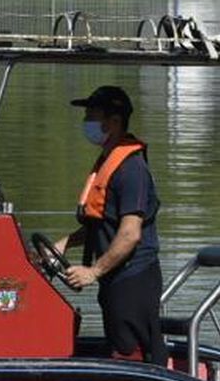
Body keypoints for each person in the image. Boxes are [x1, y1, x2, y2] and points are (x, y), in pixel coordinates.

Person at [50, 86, 166, 365]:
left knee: (130, 353)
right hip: (115, 278)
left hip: (133, 278)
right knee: (117, 344)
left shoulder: (132, 169)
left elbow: (129, 233)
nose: (86, 122)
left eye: (92, 115)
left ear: (113, 122)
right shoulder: (108, 161)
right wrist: (64, 243)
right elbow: (102, 224)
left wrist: (93, 271)